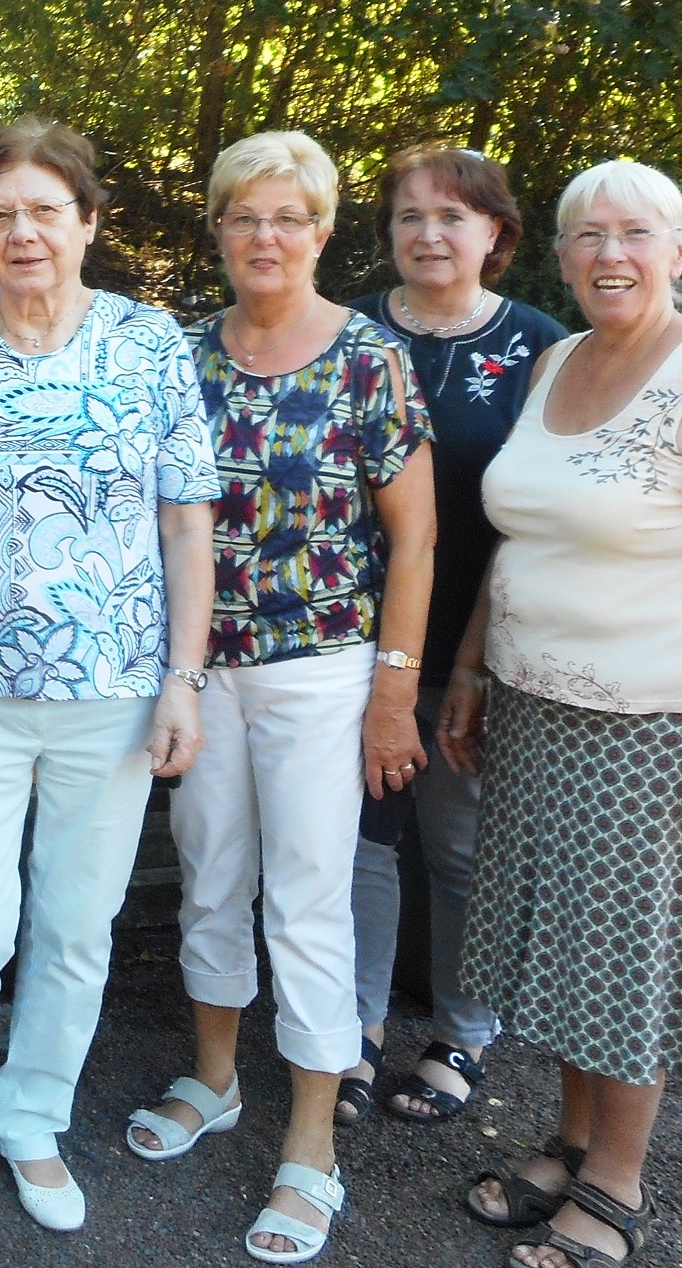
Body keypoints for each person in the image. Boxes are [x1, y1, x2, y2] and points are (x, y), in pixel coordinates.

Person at [0, 116, 216, 1236]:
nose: (23, 232)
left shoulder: (150, 345)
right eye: (1, 214)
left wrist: (184, 678)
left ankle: (30, 1119)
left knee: (73, 927)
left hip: (112, 693)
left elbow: (186, 522)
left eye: (45, 211)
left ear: (88, 221)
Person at [126, 130, 435, 1265]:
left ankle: (312, 1143)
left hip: (322, 666)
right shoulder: (182, 356)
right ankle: (213, 1078)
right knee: (210, 875)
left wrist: (394, 691)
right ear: (217, 228)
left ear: (321, 230)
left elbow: (416, 538)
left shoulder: (368, 357)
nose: (266, 237)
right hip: (202, 663)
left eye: (288, 218)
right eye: (244, 216)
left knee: (307, 899)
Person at [452, 159, 682, 1268]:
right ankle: (573, 1139)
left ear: (675, 251)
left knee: (617, 953)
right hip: (528, 699)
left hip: (642, 721)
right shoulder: (555, 359)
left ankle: (617, 1186)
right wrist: (468, 664)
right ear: (559, 257)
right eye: (586, 236)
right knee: (554, 940)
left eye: (633, 233)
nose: (609, 255)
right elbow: (522, 533)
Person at [335, 145, 567, 1131]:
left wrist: (481, 656)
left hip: (477, 640)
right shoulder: (345, 331)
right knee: (361, 842)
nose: (428, 234)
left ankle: (464, 1030)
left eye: (451, 216)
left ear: (495, 234)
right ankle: (355, 1025)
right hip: (349, 637)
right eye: (409, 216)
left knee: (460, 843)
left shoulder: (540, 349)